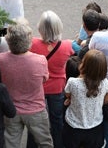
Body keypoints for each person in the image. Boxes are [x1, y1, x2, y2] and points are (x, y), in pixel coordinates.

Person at [0, 20, 53, 148]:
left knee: (10, 144)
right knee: (45, 143)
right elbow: (45, 78)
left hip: (11, 110)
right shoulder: (40, 60)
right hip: (36, 110)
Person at [27, 11, 75, 148]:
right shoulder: (66, 45)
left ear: (40, 28)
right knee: (57, 120)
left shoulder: (33, 44)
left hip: (39, 87)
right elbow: (79, 49)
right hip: (57, 87)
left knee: (35, 120)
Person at [62, 49, 108, 148]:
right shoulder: (105, 82)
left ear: (84, 65)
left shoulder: (73, 82)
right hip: (95, 127)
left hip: (73, 126)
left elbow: (68, 95)